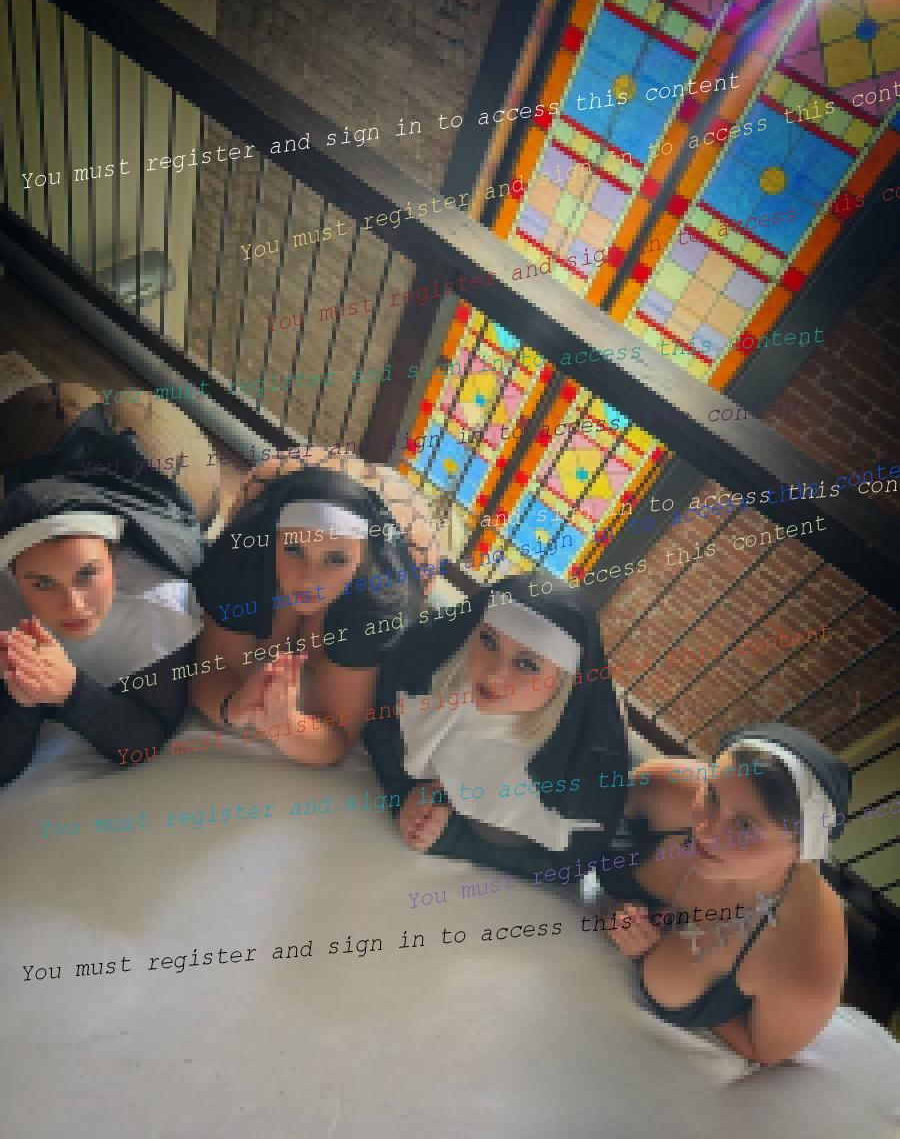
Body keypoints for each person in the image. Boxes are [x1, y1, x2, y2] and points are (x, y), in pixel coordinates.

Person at [590, 723, 849, 1065]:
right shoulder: (663, 786)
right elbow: (582, 819)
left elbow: (762, 1049)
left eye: (744, 826)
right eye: (712, 795)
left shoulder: (803, 968)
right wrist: (609, 905)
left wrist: (652, 955)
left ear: (802, 851)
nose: (706, 832)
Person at [363, 573, 630, 875]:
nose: (493, 675)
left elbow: (571, 864)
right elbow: (376, 728)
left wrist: (454, 840)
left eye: (527, 664)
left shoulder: (585, 764)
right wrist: (403, 794)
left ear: (564, 682)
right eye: (489, 641)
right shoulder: (428, 680)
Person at [189, 451, 440, 766]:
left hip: (402, 528)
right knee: (262, 481)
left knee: (415, 538)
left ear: (362, 561)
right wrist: (232, 706)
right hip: (280, 483)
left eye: (336, 559)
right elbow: (211, 673)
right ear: (272, 542)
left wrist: (287, 727)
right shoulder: (243, 567)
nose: (309, 579)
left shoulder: (373, 608)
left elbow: (337, 736)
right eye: (294, 550)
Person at [0, 418, 206, 792]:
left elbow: (145, 742)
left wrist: (72, 692)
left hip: (139, 489)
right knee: (32, 423)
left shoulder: (159, 609)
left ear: (113, 558)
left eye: (87, 574)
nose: (74, 605)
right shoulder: (7, 604)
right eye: (42, 583)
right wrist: (23, 701)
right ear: (13, 577)